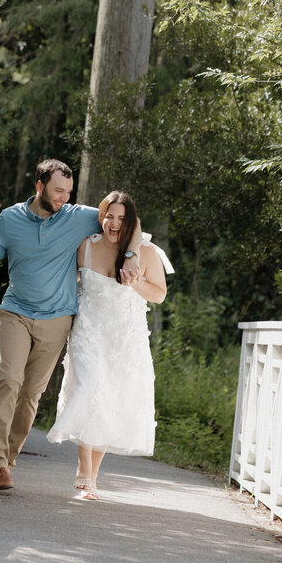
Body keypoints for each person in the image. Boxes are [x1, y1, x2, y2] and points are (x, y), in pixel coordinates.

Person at [0, 160, 141, 492]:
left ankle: (10, 458)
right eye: (58, 191)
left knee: (31, 393)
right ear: (39, 186)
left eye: (69, 193)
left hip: (57, 319)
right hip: (15, 311)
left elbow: (129, 218)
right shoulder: (9, 219)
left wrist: (131, 255)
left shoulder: (77, 216)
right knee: (9, 379)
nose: (64, 199)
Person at [47, 190, 171, 501]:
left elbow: (159, 294)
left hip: (123, 337)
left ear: (131, 222)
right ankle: (82, 467)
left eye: (121, 218)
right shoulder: (85, 246)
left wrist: (135, 279)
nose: (113, 224)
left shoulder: (148, 253)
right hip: (88, 332)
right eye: (108, 216)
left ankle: (92, 476)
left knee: (107, 399)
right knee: (88, 386)